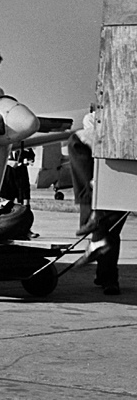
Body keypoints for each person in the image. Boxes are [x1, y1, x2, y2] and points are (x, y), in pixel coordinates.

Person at [68, 110, 127, 295]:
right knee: (109, 228)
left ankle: (95, 235)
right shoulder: (95, 118)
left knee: (76, 140)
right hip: (114, 174)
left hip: (122, 172)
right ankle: (107, 277)